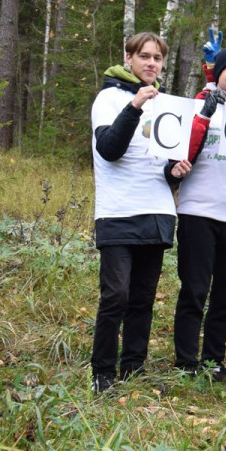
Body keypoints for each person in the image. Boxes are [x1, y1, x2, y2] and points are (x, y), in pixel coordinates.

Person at [90, 32, 190, 394]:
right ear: (128, 57)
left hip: (157, 211)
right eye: (144, 56)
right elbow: (109, 149)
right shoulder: (109, 98)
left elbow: (157, 162)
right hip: (118, 211)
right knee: (115, 295)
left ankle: (133, 366)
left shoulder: (166, 103)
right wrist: (134, 107)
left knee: (143, 298)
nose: (151, 63)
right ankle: (102, 372)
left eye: (157, 58)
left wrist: (173, 172)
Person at [171, 46, 226, 383]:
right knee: (194, 289)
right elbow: (179, 154)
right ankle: (186, 360)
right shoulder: (195, 106)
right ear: (217, 73)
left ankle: (213, 360)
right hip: (198, 210)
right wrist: (203, 116)